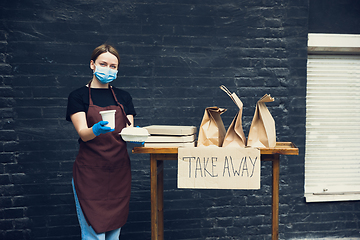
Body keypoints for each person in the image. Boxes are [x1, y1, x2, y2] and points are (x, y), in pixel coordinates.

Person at [66, 44, 136, 240]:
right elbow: (83, 133)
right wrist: (95, 129)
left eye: (113, 66)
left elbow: (128, 131)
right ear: (92, 64)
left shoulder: (123, 97)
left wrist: (136, 134)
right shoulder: (78, 96)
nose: (108, 69)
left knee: (114, 233)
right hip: (90, 174)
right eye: (103, 64)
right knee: (93, 235)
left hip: (119, 172)